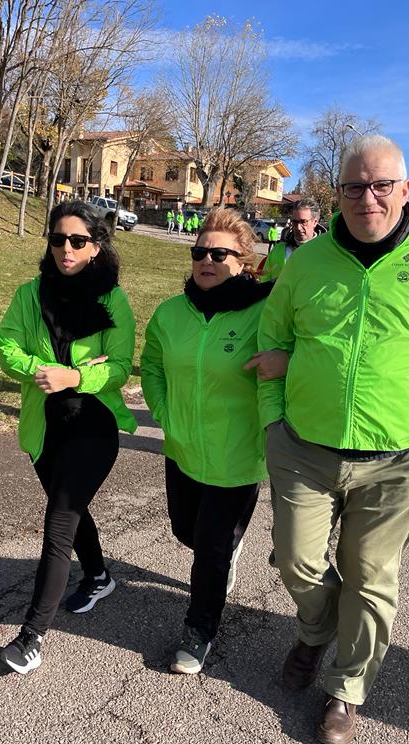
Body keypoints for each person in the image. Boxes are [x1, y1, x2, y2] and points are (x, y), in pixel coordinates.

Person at [257, 135, 409, 744]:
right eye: (355, 186)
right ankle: (315, 630)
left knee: (370, 572)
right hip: (304, 447)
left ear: (405, 190)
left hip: (397, 457)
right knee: (295, 560)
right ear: (338, 192)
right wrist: (272, 425)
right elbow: (271, 341)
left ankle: (347, 687)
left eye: (382, 185)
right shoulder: (306, 262)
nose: (369, 197)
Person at [0, 200, 137, 674]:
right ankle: (98, 575)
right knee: (70, 510)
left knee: (58, 522)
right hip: (44, 425)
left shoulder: (112, 301)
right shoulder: (30, 294)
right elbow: (7, 347)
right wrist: (44, 371)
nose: (66, 249)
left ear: (96, 247)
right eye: (58, 239)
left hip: (93, 423)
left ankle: (31, 637)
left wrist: (74, 379)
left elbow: (118, 369)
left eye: (78, 241)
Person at [141, 207, 274, 675]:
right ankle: (228, 549)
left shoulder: (263, 312)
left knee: (211, 550)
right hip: (182, 448)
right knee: (186, 533)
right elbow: (152, 365)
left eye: (221, 253)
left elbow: (284, 369)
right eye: (200, 252)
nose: (207, 260)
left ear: (244, 261)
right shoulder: (171, 313)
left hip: (237, 456)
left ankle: (199, 632)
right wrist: (163, 410)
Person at [258, 199, 320, 282]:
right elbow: (264, 279)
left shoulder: (325, 251)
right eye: (295, 222)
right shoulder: (278, 249)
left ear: (315, 222)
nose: (298, 227)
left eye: (303, 222)